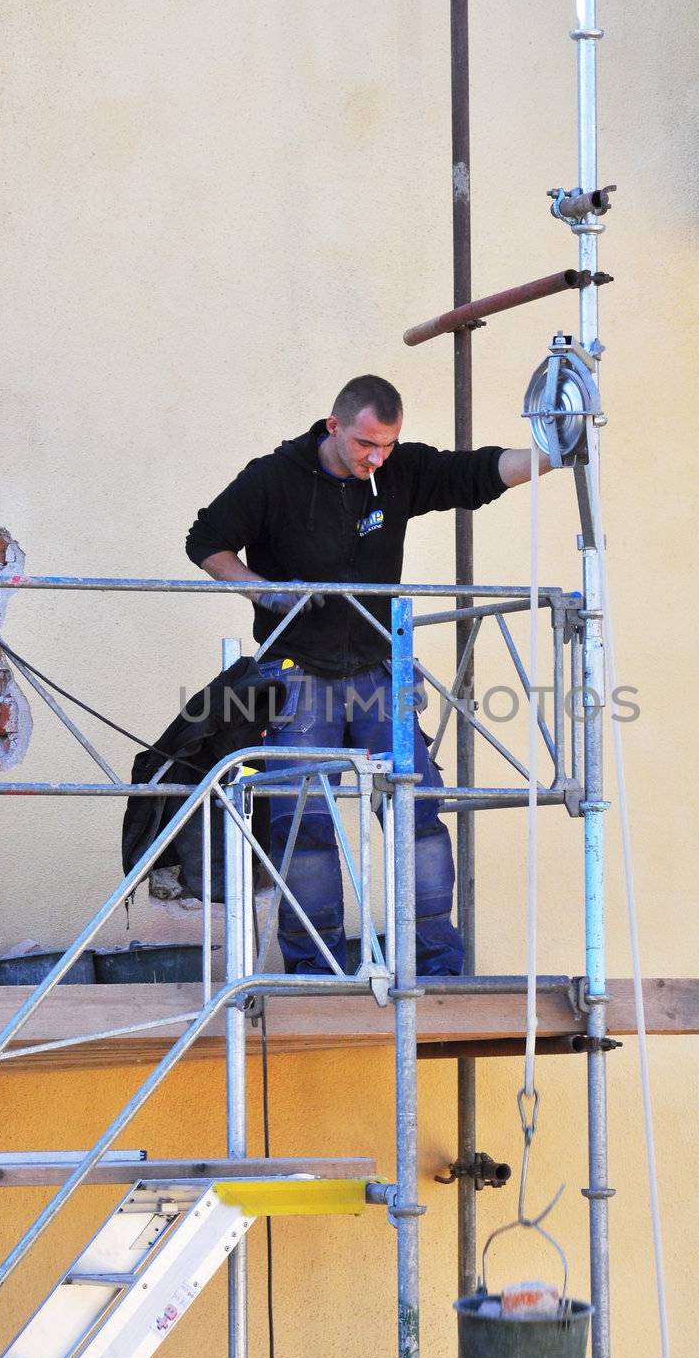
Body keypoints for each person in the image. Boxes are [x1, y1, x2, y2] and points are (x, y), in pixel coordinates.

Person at [185, 374, 551, 976]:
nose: (376, 458)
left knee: (419, 815)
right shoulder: (273, 478)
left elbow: (478, 474)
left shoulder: (397, 472)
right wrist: (267, 594)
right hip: (297, 674)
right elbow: (206, 542)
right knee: (303, 826)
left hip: (381, 671)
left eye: (388, 445)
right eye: (365, 445)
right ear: (333, 428)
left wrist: (551, 452)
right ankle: (316, 975)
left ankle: (438, 968)